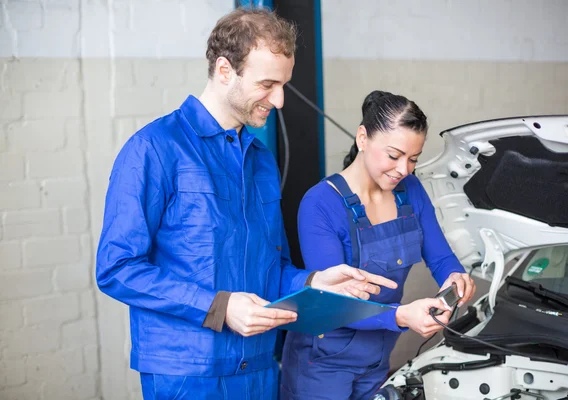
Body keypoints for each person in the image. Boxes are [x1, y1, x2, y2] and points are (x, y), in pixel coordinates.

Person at [95, 9, 397, 400]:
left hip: (258, 366)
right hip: (187, 373)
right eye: (268, 83)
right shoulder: (153, 149)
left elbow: (272, 269)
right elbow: (117, 268)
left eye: (284, 84)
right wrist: (219, 306)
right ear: (224, 70)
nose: (280, 99)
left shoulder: (261, 160)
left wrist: (313, 282)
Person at [280, 90, 477, 400]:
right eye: (394, 155)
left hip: (377, 359)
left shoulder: (410, 189)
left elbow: (441, 259)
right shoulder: (320, 203)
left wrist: (454, 277)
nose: (404, 169)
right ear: (362, 138)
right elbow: (334, 304)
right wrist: (401, 316)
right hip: (321, 365)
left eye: (414, 159)